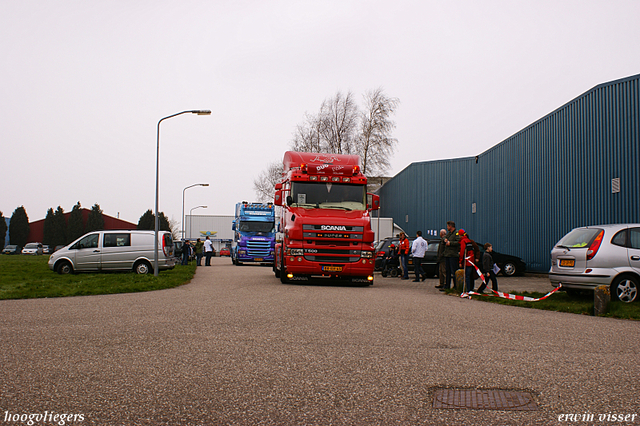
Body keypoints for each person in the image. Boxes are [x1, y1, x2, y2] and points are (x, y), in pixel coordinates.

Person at [458, 229, 480, 297]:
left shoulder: (463, 241)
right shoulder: (469, 241)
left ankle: (467, 290)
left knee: (467, 276)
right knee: (470, 275)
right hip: (471, 260)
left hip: (467, 261)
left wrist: (460, 261)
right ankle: (470, 289)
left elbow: (462, 252)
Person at [442, 221, 461, 290]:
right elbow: (444, 237)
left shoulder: (456, 233)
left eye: (447, 226)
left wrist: (450, 243)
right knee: (447, 271)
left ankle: (456, 286)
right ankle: (447, 286)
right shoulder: (449, 234)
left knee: (454, 271)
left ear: (450, 226)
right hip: (447, 254)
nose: (447, 227)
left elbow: (458, 242)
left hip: (453, 255)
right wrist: (445, 240)